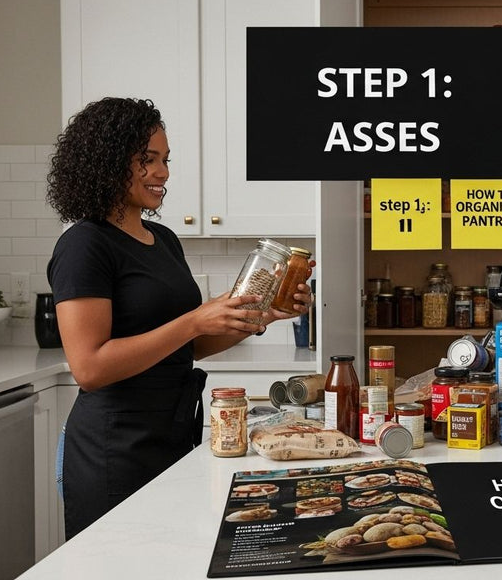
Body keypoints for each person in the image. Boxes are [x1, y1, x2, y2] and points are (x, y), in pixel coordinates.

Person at [45, 97, 312, 539]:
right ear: (108, 160)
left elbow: (190, 345)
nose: (163, 173)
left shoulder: (163, 239)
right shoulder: (85, 244)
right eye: (146, 160)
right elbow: (90, 368)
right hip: (115, 445)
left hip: (173, 433)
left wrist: (262, 314)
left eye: (165, 160)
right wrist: (193, 321)